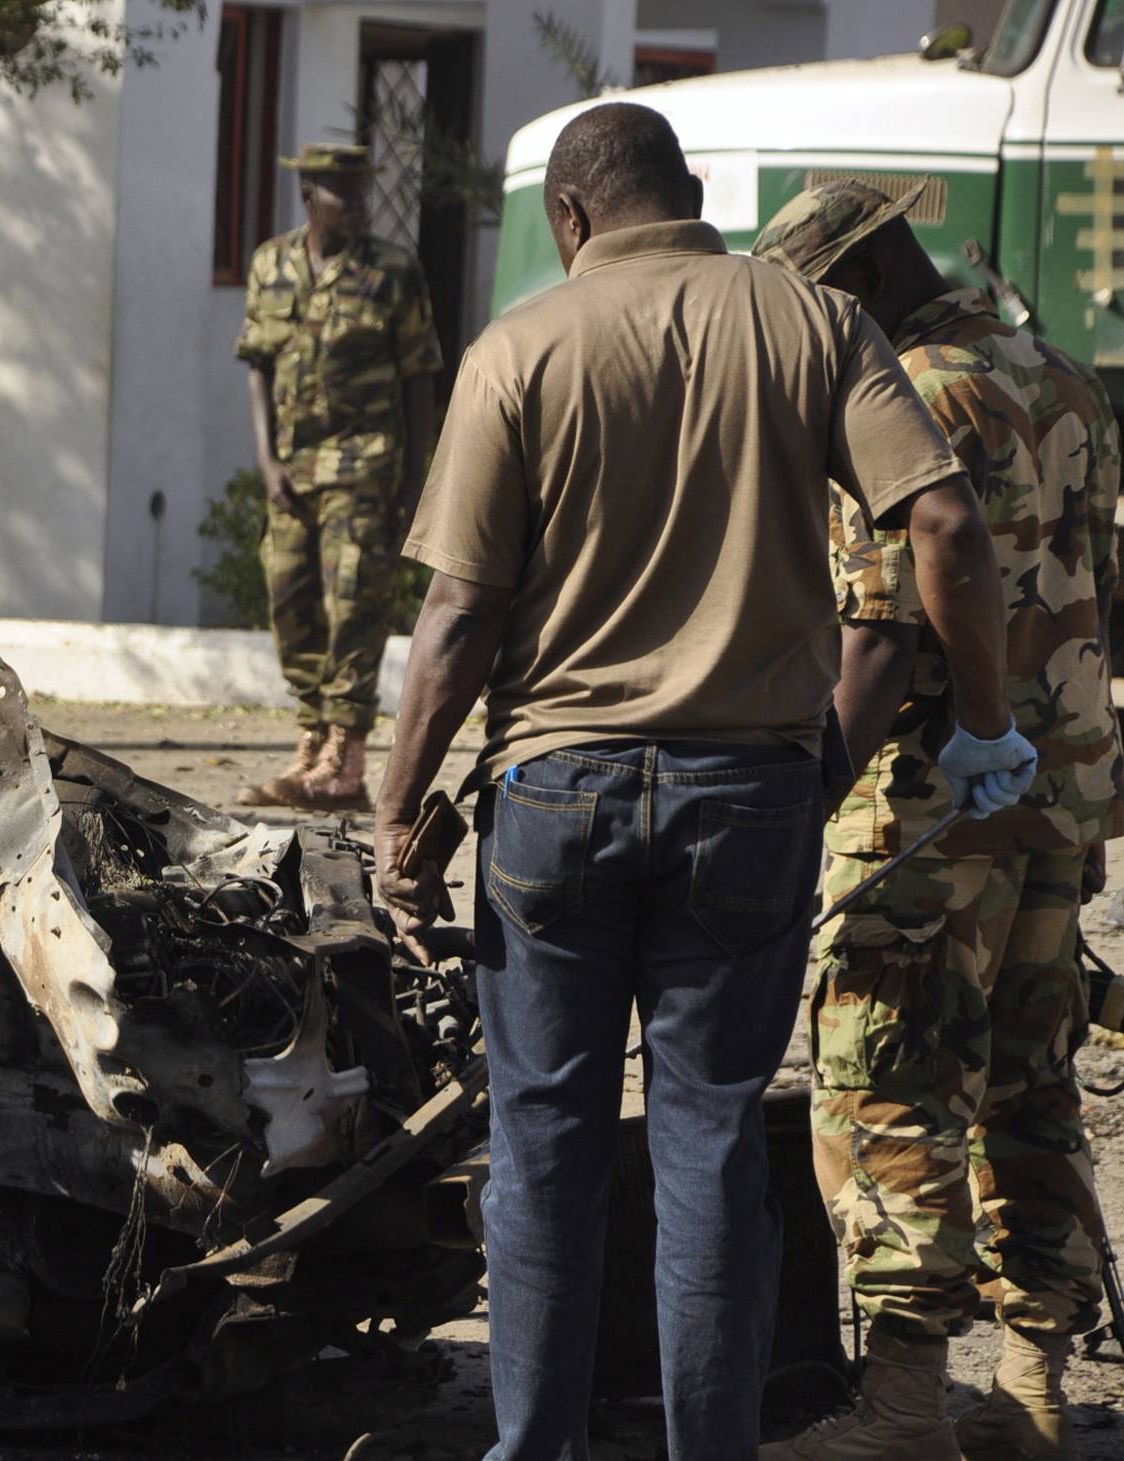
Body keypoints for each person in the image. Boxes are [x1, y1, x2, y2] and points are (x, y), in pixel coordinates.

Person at [370, 103, 1033, 1461]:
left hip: (555, 796)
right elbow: (948, 525)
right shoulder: (811, 325)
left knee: (544, 1141)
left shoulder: (519, 349)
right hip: (752, 799)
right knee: (711, 1144)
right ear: (688, 195)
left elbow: (456, 618)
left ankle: (532, 1447)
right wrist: (981, 719)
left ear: (570, 217)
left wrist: (396, 813)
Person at [750, 182, 1123, 1461]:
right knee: (1031, 1081)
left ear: (846, 286)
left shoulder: (896, 391)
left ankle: (906, 1406)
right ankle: (1032, 1383)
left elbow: (879, 632)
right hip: (1058, 793)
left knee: (889, 1080)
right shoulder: (1060, 370)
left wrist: (796, 810)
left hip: (926, 812)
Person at [235, 141, 440, 811]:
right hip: (292, 472)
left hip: (365, 469)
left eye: (360, 191)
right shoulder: (271, 264)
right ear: (309, 196)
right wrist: (267, 461)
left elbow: (420, 380)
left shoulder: (393, 272)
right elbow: (258, 368)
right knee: (290, 602)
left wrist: (416, 487)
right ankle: (312, 738)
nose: (354, 203)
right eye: (339, 192)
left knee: (354, 608)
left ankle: (345, 763)